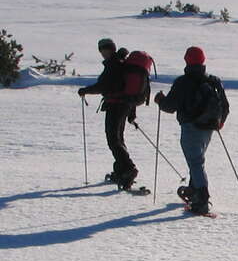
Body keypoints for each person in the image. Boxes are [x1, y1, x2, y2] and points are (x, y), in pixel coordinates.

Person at [154, 46, 229, 215]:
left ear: (186, 60)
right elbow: (225, 106)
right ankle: (194, 190)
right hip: (209, 127)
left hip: (191, 126)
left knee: (195, 162)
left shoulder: (183, 82)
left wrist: (160, 100)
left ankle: (202, 199)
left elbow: (170, 106)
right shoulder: (213, 81)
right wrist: (219, 122)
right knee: (197, 160)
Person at [78, 38, 139, 189]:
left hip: (116, 105)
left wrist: (85, 90)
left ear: (110, 49)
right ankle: (121, 170)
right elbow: (128, 89)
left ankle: (128, 168)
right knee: (118, 138)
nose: (102, 53)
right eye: (101, 50)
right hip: (123, 105)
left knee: (113, 139)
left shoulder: (113, 65)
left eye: (103, 49)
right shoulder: (121, 63)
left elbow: (103, 85)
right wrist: (131, 111)